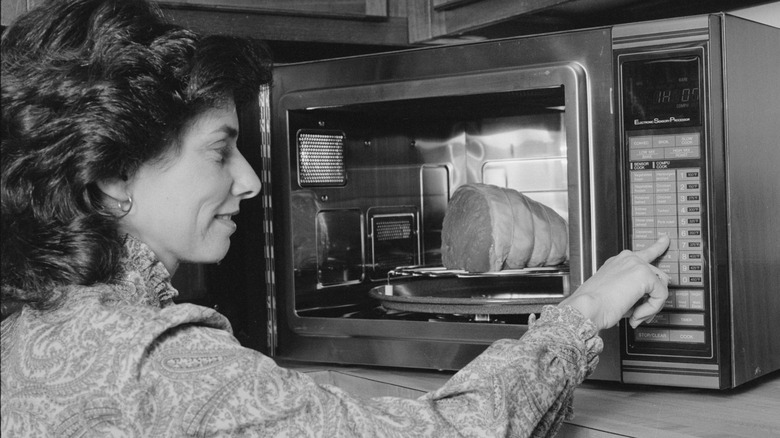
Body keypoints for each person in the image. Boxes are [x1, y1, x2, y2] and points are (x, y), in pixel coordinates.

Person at [0, 0, 671, 436]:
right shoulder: (160, 361)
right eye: (220, 149)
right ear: (115, 176)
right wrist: (583, 312)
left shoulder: (31, 332)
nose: (252, 179)